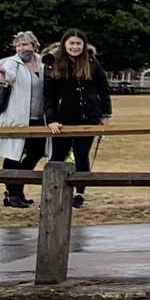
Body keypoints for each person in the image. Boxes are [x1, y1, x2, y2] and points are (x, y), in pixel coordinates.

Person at [42, 29, 112, 208]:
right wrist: (51, 119)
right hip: (63, 118)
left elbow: (103, 90)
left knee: (81, 154)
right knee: (58, 156)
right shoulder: (53, 63)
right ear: (65, 44)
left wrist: (105, 114)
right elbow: (48, 95)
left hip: (88, 117)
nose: (75, 47)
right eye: (71, 43)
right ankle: (50, 193)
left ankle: (79, 193)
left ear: (84, 45)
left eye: (78, 43)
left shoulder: (91, 63)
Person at [0, 31, 46, 208]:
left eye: (25, 44)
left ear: (34, 46)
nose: (22, 48)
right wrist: (1, 71)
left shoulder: (42, 62)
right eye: (19, 45)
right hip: (16, 117)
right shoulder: (11, 62)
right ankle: (11, 193)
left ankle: (18, 186)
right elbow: (9, 76)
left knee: (36, 152)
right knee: (13, 155)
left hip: (38, 117)